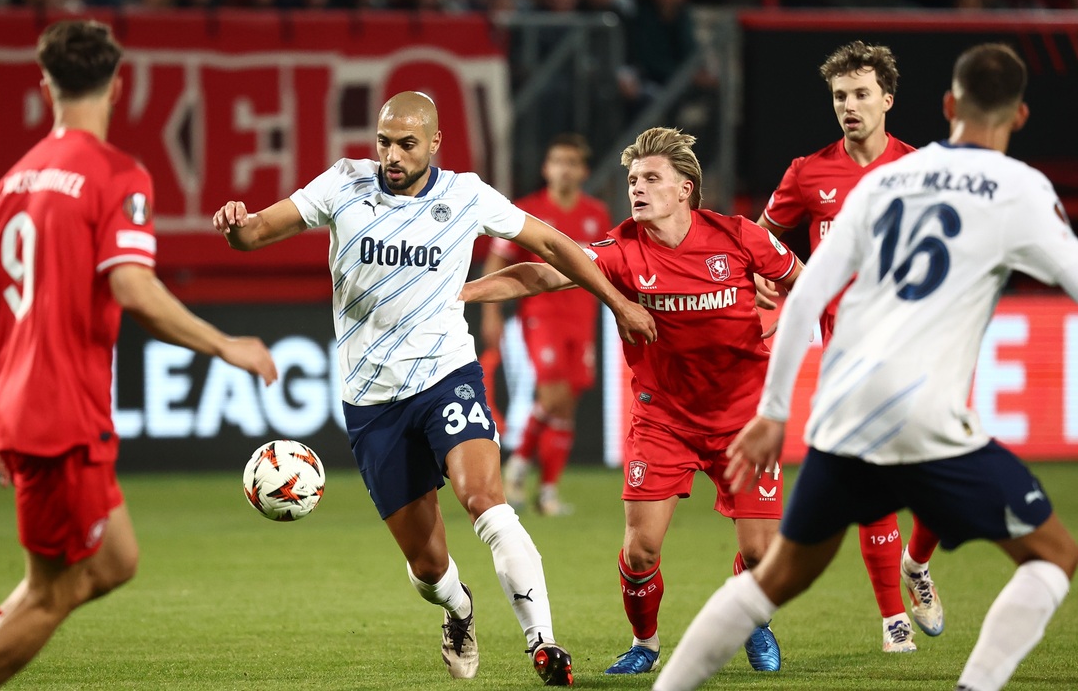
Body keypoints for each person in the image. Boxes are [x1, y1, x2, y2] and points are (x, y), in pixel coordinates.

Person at [651, 42, 1078, 691]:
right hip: (924, 412)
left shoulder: (886, 179)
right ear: (1018, 117)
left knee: (773, 582)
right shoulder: (1020, 190)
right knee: (1052, 557)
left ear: (946, 105)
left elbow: (799, 300)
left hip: (840, 411)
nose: (848, 106)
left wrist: (772, 414)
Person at [212, 90, 656, 686]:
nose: (391, 154)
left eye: (406, 144)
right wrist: (236, 226)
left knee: (485, 499)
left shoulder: (466, 194)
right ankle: (460, 608)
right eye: (384, 141)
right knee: (427, 565)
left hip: (447, 374)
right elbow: (258, 232)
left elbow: (551, 244)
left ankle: (543, 641)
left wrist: (618, 303)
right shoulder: (343, 184)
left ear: (435, 143)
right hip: (372, 403)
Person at [0, 20, 278, 691]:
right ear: (119, 85)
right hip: (61, 417)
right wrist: (225, 344)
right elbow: (133, 287)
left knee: (115, 560)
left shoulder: (9, 186)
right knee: (53, 592)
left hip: (23, 410)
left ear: (43, 84)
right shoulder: (117, 176)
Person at [461, 127, 802, 676]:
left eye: (650, 179)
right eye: (632, 180)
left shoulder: (739, 236)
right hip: (664, 419)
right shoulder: (621, 250)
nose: (637, 189)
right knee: (641, 551)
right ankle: (645, 645)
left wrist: (789, 316)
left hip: (744, 420)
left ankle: (753, 622)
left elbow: (805, 285)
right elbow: (541, 273)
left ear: (686, 188)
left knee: (763, 556)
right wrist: (463, 292)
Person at [756, 39, 945, 653]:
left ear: (887, 99)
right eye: (840, 96)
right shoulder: (807, 172)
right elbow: (761, 239)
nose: (849, 105)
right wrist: (759, 278)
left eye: (861, 94)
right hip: (848, 359)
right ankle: (893, 619)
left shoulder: (919, 170)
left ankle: (917, 566)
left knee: (945, 482)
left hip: (918, 347)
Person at [481, 133, 612, 516]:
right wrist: (491, 311)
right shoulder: (526, 211)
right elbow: (496, 260)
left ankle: (548, 492)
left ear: (583, 171)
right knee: (553, 396)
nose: (564, 169)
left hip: (582, 316)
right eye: (558, 161)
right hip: (541, 315)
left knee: (566, 405)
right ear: (546, 168)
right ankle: (519, 466)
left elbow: (607, 263)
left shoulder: (597, 214)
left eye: (572, 162)